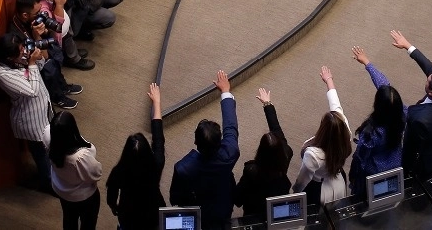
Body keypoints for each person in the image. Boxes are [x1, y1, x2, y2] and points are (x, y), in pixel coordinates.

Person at [170, 71, 240, 230]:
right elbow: (231, 127)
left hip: (199, 211)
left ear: (195, 141)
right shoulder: (230, 153)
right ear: (220, 141)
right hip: (223, 204)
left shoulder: (183, 168)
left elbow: (175, 198)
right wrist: (226, 92)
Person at [389, 30, 432, 177]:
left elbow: (409, 147)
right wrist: (408, 46)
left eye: (428, 81)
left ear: (431, 92)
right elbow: (430, 69)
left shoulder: (419, 119)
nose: (427, 77)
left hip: (425, 159)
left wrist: (405, 168)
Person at [0, 33, 54, 190]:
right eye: (21, 51)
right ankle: (49, 184)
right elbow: (32, 90)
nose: (25, 52)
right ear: (9, 57)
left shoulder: (20, 60)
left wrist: (37, 57)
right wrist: (32, 63)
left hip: (44, 110)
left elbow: (41, 67)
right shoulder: (3, 75)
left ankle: (53, 175)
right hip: (30, 121)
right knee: (41, 155)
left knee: (49, 149)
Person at [106, 83, 165, 230]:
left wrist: (115, 207)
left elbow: (111, 197)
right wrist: (156, 103)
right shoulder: (156, 164)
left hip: (129, 213)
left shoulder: (118, 171)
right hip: (153, 210)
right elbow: (158, 139)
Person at [348, 46, 405, 196]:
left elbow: (361, 158)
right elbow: (384, 85)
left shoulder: (371, 133)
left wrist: (353, 177)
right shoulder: (403, 113)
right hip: (395, 165)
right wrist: (367, 63)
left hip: (373, 173)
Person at [10, 0, 81, 110]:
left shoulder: (28, 19)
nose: (40, 15)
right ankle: (57, 96)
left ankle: (62, 86)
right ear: (25, 15)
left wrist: (45, 31)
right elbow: (43, 58)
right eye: (37, 13)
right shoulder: (16, 35)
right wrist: (37, 36)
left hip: (38, 52)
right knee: (50, 66)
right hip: (29, 64)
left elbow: (51, 36)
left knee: (55, 48)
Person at [292, 66, 352, 205]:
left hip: (319, 188)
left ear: (323, 129)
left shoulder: (313, 154)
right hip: (338, 180)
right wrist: (329, 81)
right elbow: (336, 106)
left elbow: (303, 179)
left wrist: (296, 193)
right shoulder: (345, 134)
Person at [234, 88, 294, 219]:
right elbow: (276, 128)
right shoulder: (286, 153)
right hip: (276, 210)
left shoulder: (251, 170)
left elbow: (237, 198)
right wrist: (267, 104)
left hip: (253, 212)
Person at [49, 111, 102, 230]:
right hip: (84, 196)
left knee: (69, 218)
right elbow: (96, 174)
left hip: (63, 192)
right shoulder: (79, 157)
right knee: (88, 223)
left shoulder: (49, 140)